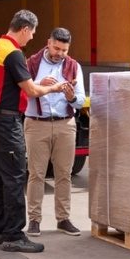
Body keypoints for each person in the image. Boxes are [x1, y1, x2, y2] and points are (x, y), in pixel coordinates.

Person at [0, 10, 69, 253]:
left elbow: (14, 85)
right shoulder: (14, 53)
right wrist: (53, 89)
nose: (31, 37)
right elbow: (30, 92)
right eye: (31, 32)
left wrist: (36, 85)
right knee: (15, 177)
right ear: (24, 29)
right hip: (6, 122)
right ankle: (14, 235)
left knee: (0, 176)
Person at [23, 27, 85, 237]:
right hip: (36, 123)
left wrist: (70, 97)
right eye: (56, 48)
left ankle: (63, 219)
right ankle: (34, 220)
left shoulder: (74, 66)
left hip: (65, 124)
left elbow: (80, 100)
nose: (59, 53)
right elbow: (23, 91)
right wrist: (41, 84)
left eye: (64, 50)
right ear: (48, 42)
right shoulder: (31, 63)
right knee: (36, 174)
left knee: (64, 175)